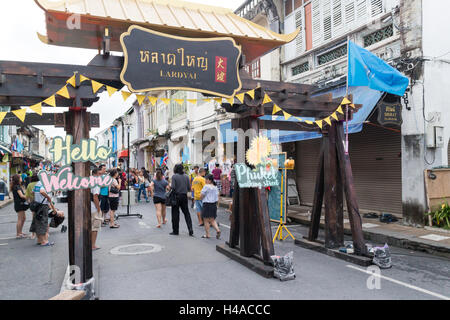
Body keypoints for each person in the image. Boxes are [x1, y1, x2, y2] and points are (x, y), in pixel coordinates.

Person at [170, 163, 193, 236]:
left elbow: (173, 187)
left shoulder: (174, 176)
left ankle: (175, 231)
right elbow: (189, 188)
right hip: (184, 196)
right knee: (186, 213)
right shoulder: (186, 176)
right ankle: (190, 229)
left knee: (175, 214)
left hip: (176, 196)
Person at [31, 177, 56, 246]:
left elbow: (32, 192)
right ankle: (44, 241)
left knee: (38, 222)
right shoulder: (42, 184)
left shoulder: (37, 184)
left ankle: (39, 240)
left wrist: (37, 198)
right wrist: (48, 198)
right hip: (43, 206)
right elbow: (42, 191)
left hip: (37, 205)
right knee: (43, 223)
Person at [200, 174, 221, 239]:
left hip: (207, 204)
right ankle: (218, 230)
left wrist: (201, 198)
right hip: (213, 204)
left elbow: (202, 195)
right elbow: (218, 197)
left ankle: (207, 234)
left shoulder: (206, 186)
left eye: (206, 179)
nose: (205, 181)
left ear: (209, 180)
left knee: (205, 220)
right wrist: (217, 205)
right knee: (212, 220)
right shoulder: (215, 187)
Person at [11, 174, 29, 239]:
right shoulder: (17, 187)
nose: (21, 178)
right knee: (20, 219)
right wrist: (28, 196)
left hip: (20, 204)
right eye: (20, 177)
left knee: (23, 218)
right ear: (18, 179)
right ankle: (18, 234)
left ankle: (20, 232)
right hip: (19, 204)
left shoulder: (17, 186)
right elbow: (21, 196)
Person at [91, 168, 103, 250]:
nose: (101, 176)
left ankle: (91, 244)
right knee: (95, 227)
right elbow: (95, 197)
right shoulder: (96, 184)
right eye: (100, 174)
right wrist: (99, 209)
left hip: (89, 206)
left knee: (91, 226)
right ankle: (93, 245)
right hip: (93, 208)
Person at [26, 174, 40, 240]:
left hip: (33, 203)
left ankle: (33, 234)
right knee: (42, 218)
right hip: (40, 202)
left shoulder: (29, 185)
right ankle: (42, 233)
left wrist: (28, 202)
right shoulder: (40, 183)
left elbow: (27, 196)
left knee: (34, 219)